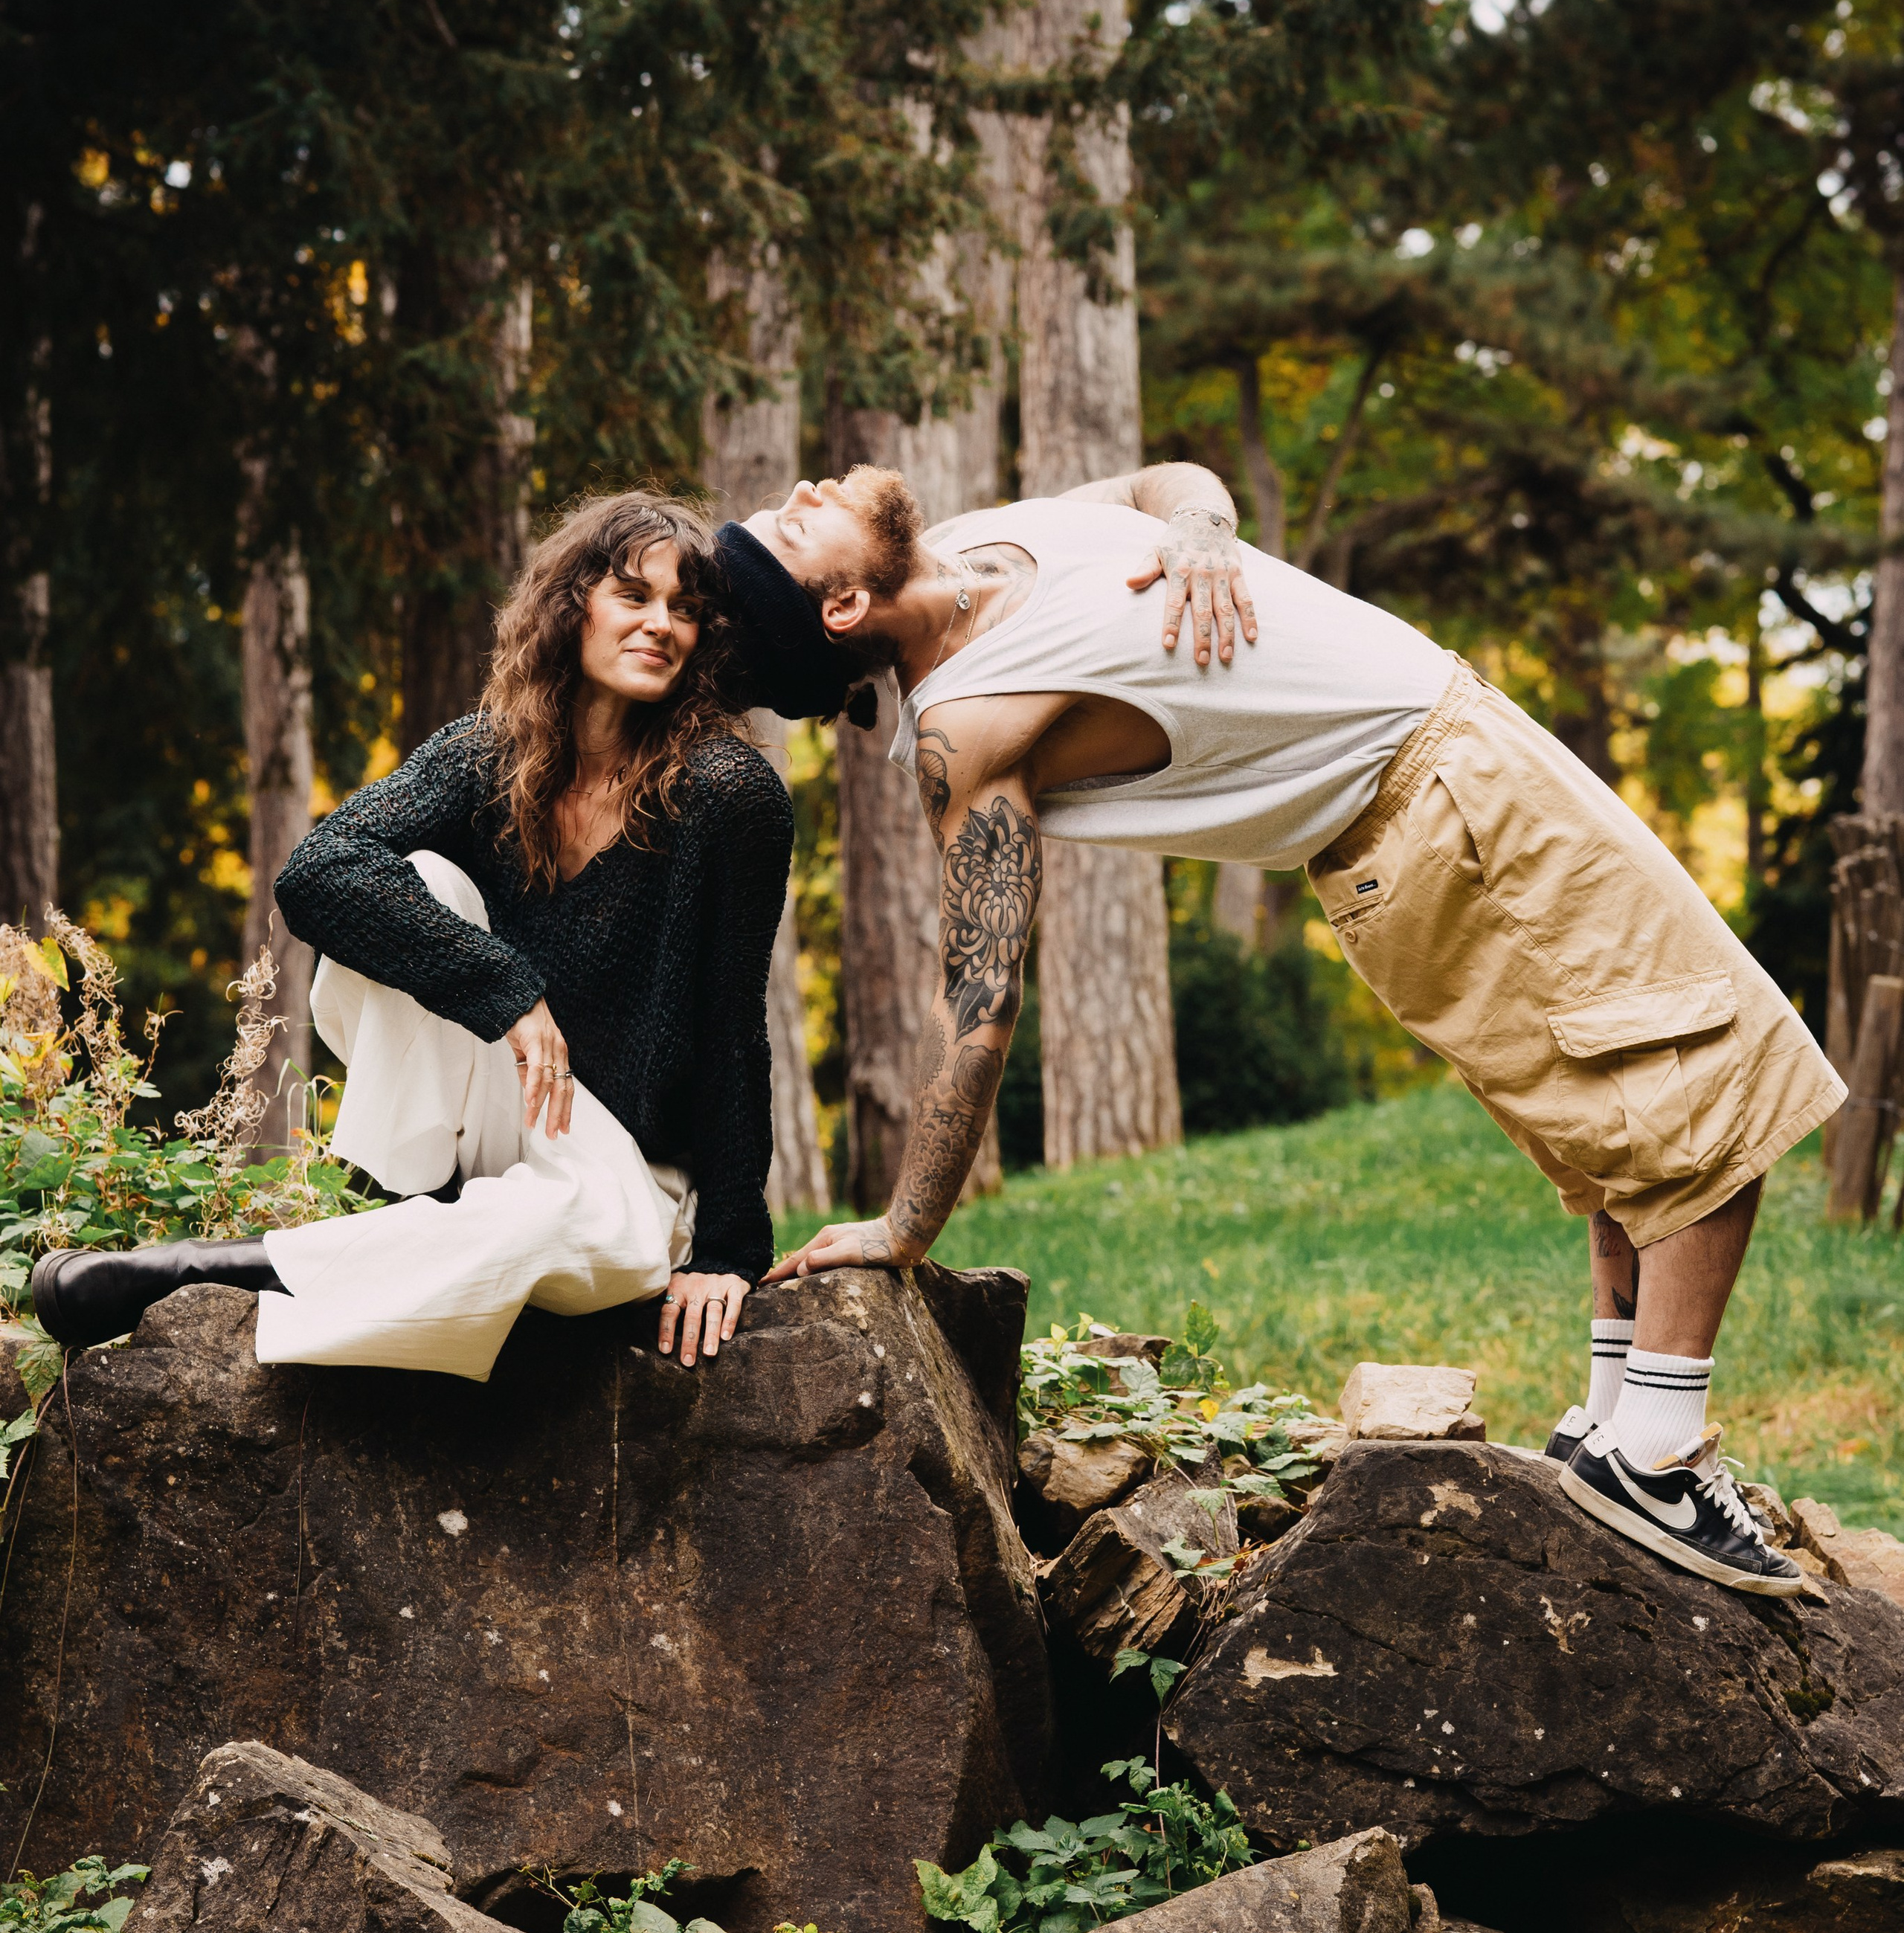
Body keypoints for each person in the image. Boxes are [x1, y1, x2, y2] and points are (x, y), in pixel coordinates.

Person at [728, 461, 1843, 1600]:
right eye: (790, 526)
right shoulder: (967, 723)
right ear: (841, 609)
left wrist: (1207, 531)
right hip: (1430, 811)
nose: (805, 485)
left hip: (1461, 767)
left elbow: (1163, 484)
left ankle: (1612, 1431)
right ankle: (1657, 1458)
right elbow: (980, 993)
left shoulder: (982, 540)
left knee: (1624, 1114)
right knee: (1704, 1083)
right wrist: (909, 1226)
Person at [33, 489, 807, 1380]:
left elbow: (733, 1033)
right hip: (487, 1101)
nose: (662, 625)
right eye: (634, 596)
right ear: (573, 607)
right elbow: (316, 874)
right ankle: (408, 1204)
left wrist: (727, 1252)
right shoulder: (490, 751)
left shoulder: (728, 794)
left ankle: (197, 1274)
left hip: (616, 1156)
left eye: (687, 610)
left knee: (582, 1239)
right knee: (423, 884)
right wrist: (507, 993)